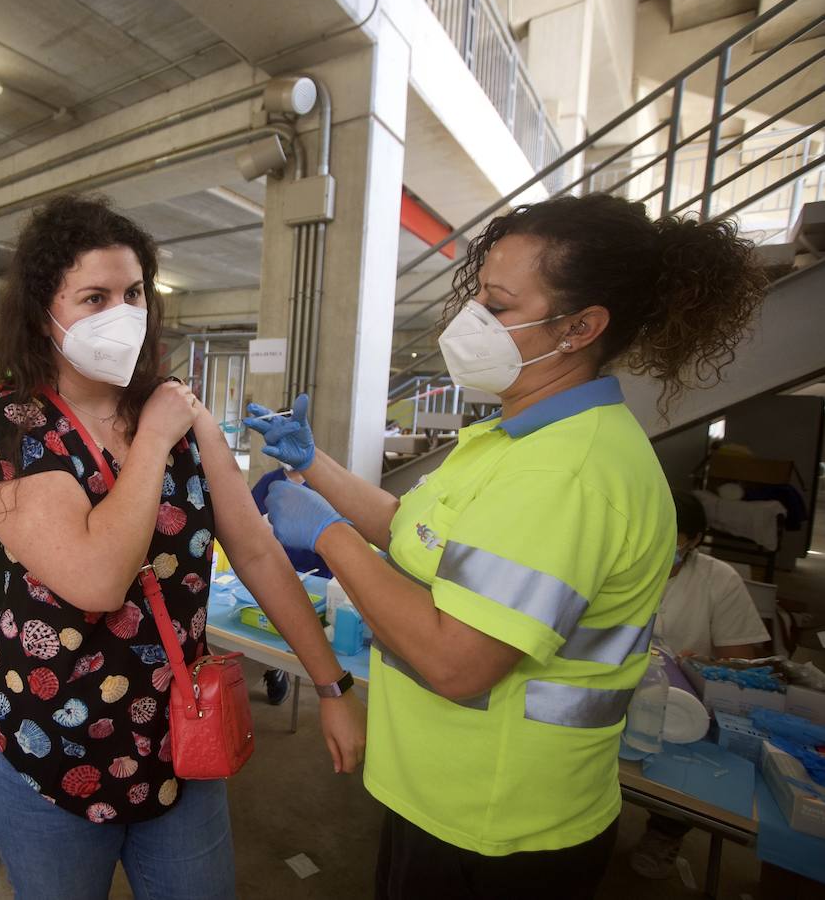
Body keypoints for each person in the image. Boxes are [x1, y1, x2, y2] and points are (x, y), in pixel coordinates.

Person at [247, 193, 767, 899]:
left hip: (496, 824)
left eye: (497, 306)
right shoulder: (517, 438)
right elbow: (416, 531)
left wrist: (330, 537)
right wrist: (314, 464)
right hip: (445, 795)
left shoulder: (568, 473)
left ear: (581, 327)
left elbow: (457, 663)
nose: (472, 323)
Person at [0, 195, 364, 900]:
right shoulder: (8, 423)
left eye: (134, 292)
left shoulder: (177, 411)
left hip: (176, 738)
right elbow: (95, 581)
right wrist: (152, 439)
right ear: (43, 312)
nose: (123, 313)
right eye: (94, 297)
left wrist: (330, 685)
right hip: (45, 747)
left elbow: (259, 552)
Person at [629, 490, 769, 879]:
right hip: (625, 689)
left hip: (686, 705)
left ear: (692, 540)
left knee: (688, 771)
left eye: (669, 538)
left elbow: (740, 665)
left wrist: (701, 667)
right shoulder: (624, 565)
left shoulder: (717, 580)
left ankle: (664, 832)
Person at [250, 467, 333, 705]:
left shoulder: (321, 481)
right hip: (274, 567)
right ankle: (274, 669)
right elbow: (248, 520)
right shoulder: (269, 480)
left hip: (314, 574)